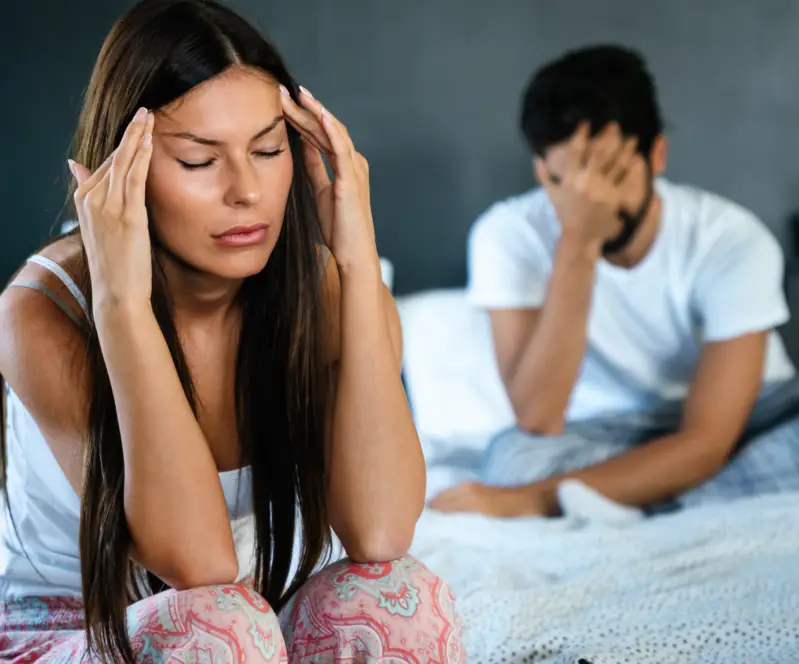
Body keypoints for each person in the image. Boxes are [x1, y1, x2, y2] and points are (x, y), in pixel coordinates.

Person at [0, 1, 464, 662]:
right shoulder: (45, 314)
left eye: (268, 149)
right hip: (72, 628)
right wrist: (124, 304)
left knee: (399, 600)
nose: (246, 190)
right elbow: (198, 562)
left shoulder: (323, 291)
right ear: (120, 172)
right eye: (198, 161)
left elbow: (381, 531)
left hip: (242, 623)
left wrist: (358, 268)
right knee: (220, 628)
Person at [430, 45, 799, 518]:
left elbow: (708, 439)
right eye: (566, 182)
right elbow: (537, 416)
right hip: (609, 433)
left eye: (610, 174)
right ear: (540, 171)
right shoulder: (506, 234)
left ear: (657, 154)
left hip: (750, 416)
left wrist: (532, 500)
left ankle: (629, 498)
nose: (593, 199)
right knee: (512, 461)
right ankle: (688, 489)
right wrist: (578, 244)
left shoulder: (728, 237)